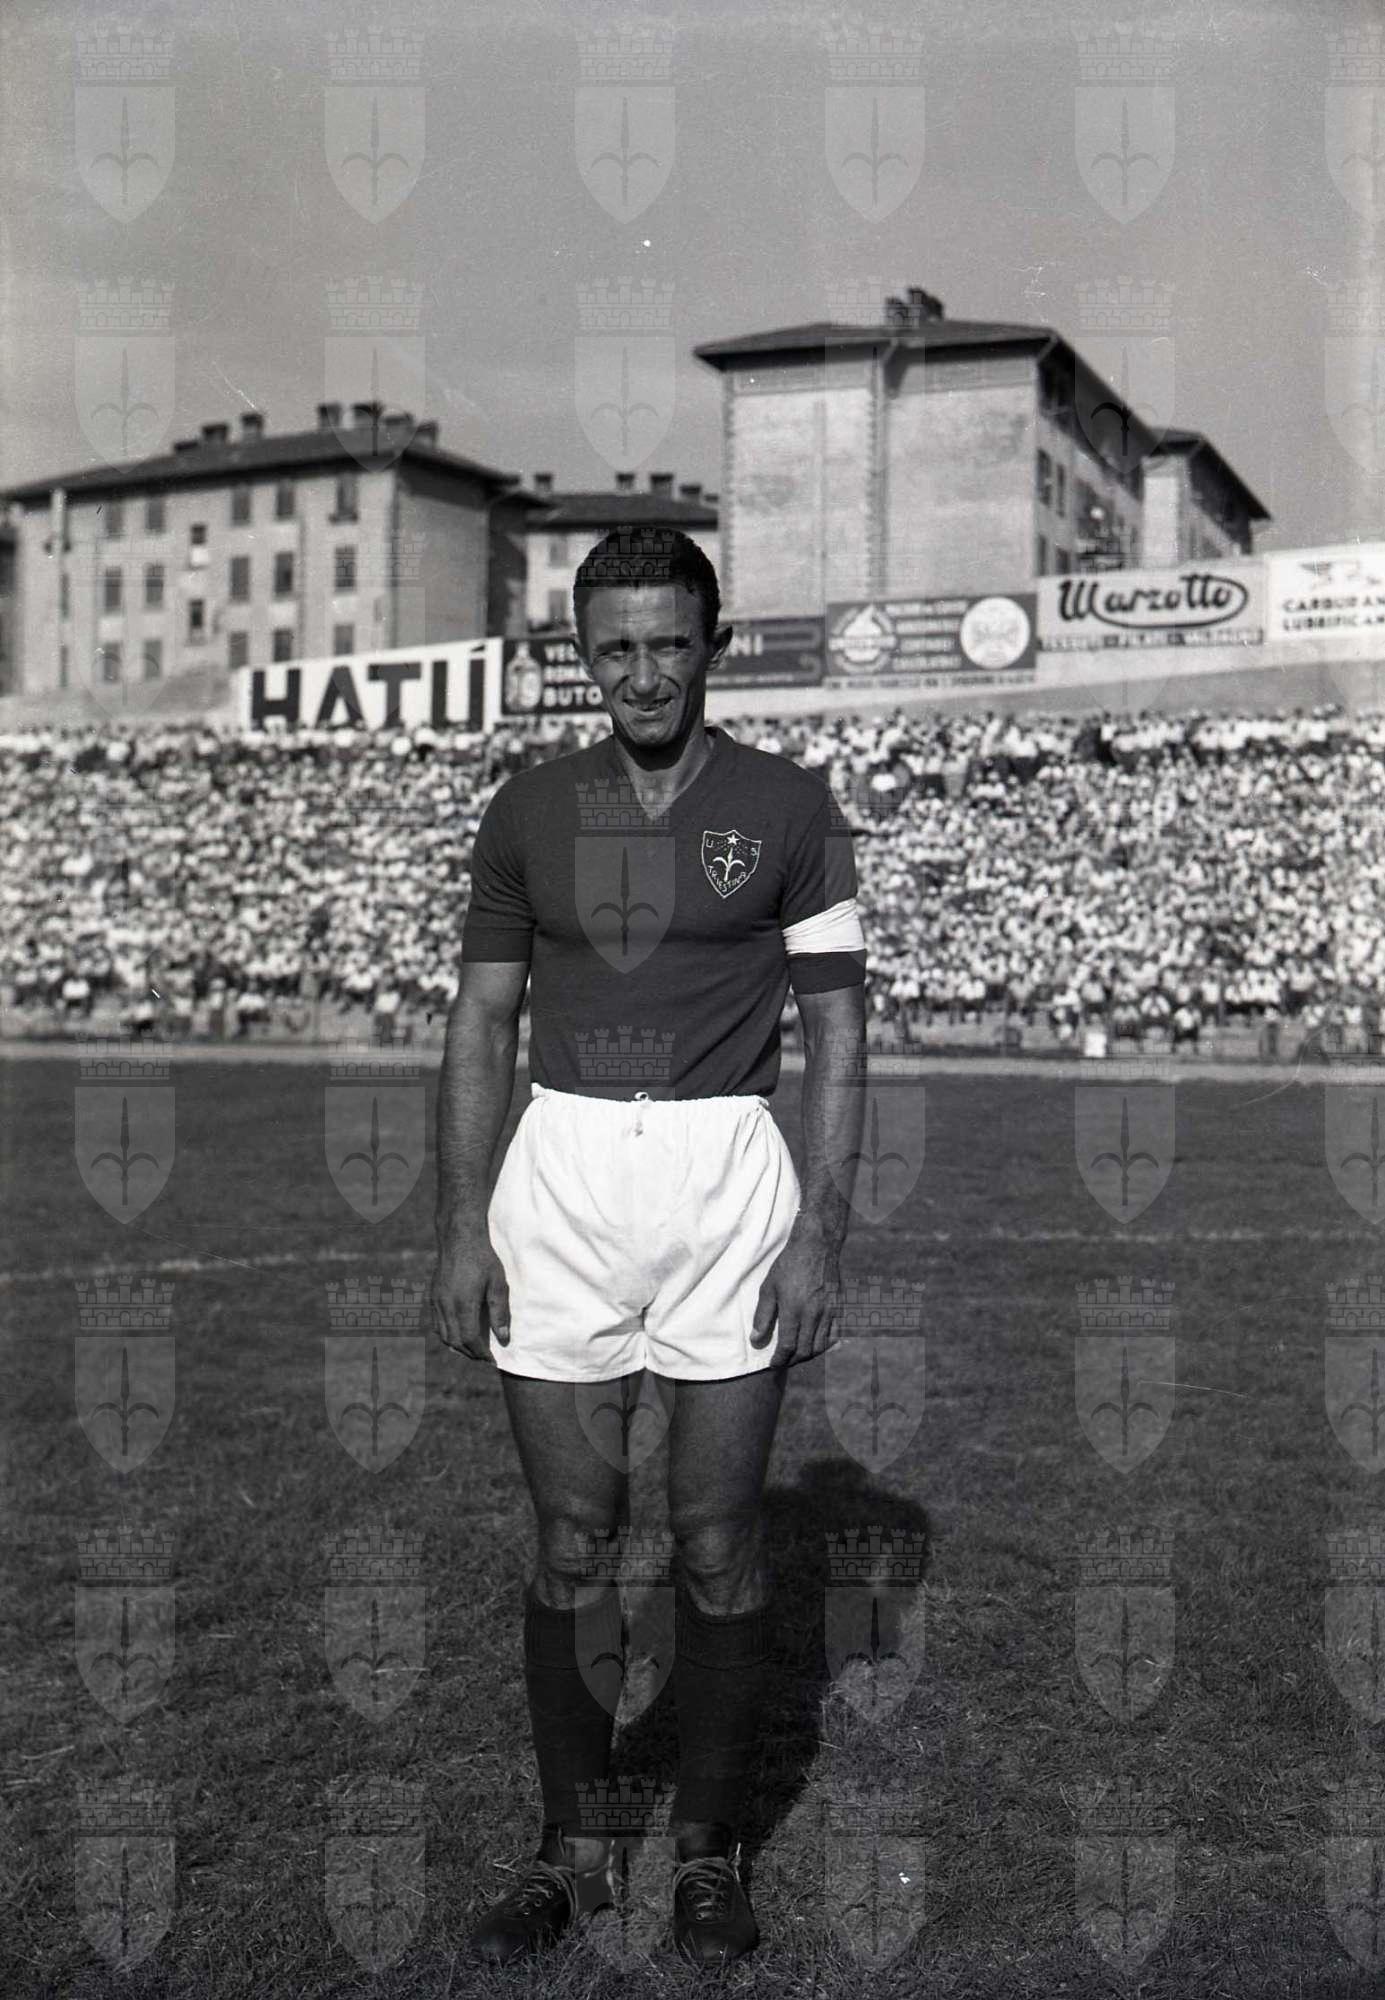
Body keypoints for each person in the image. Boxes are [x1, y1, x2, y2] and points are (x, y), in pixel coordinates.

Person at [430, 527, 868, 1970]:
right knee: (572, 1534)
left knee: (720, 1540)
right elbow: (482, 1020)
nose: (642, 673)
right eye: (613, 647)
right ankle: (567, 1852)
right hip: (559, 1177)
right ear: (580, 654)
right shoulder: (526, 809)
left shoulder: (792, 808)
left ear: (713, 645)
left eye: (669, 642)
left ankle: (705, 1850)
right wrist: (461, 1223)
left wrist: (819, 1233)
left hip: (722, 1178)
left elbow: (839, 1031)